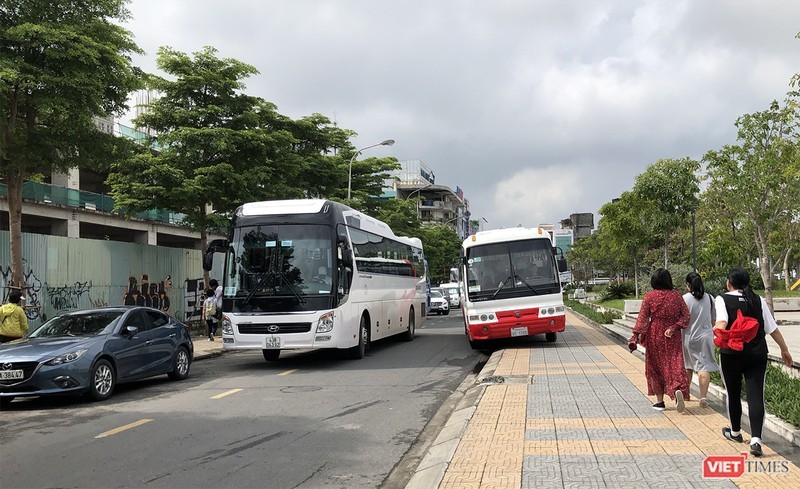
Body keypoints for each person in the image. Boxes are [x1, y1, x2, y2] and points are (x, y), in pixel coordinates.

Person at [715, 268, 793, 457]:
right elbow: (772, 328)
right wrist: (784, 350)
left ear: (728, 283)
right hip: (757, 354)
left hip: (731, 354)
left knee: (733, 393)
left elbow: (722, 322)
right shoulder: (757, 300)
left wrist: (716, 332)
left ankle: (735, 432)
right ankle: (756, 440)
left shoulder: (722, 299)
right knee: (756, 394)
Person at [632, 268, 690, 412]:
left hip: (655, 334)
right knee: (675, 363)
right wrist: (675, 327)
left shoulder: (650, 297)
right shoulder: (676, 296)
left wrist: (635, 335)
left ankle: (660, 401)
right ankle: (677, 389)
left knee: (655, 366)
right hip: (672, 335)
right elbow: (686, 316)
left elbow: (642, 319)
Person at [681, 272, 720, 408]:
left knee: (688, 366)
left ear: (688, 285)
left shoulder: (684, 299)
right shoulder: (710, 298)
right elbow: (714, 320)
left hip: (687, 336)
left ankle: (686, 394)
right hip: (705, 337)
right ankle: (703, 397)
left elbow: (681, 320)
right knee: (703, 367)